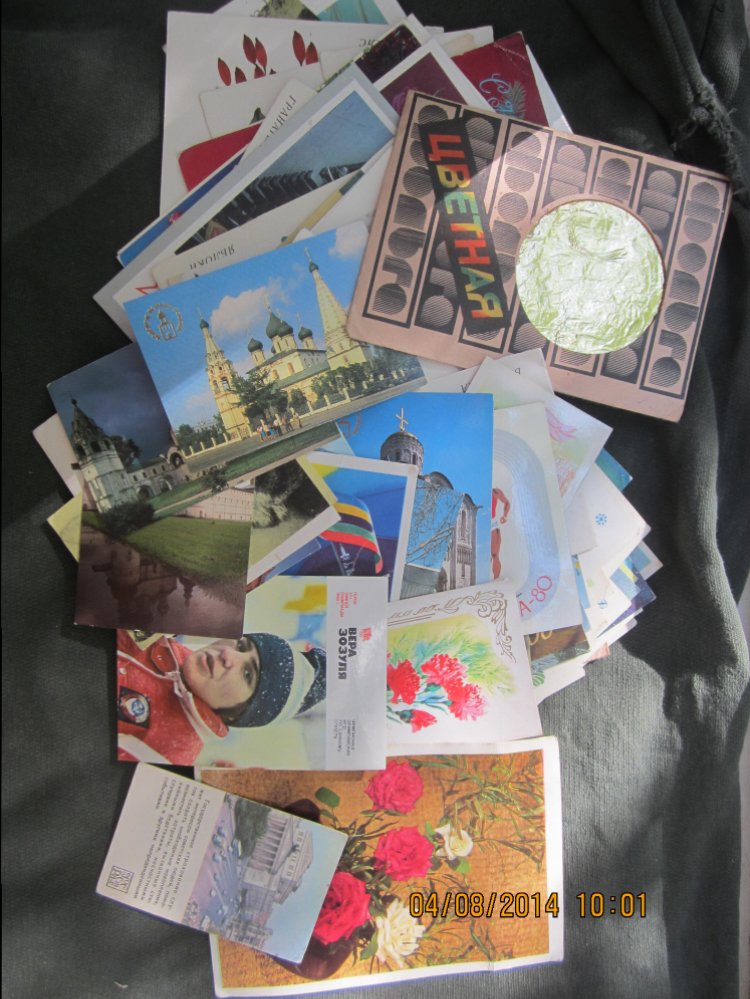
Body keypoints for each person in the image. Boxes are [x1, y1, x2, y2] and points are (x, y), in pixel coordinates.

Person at [116, 628, 326, 765]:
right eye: (241, 646)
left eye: (247, 674)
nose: (228, 654)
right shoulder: (171, 643)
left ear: (240, 712)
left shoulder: (169, 750)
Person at [490, 486, 511, 580]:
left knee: (494, 555)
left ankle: (496, 580)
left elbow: (507, 502)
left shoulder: (495, 492)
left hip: (492, 526)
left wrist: (505, 516)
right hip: (480, 525)